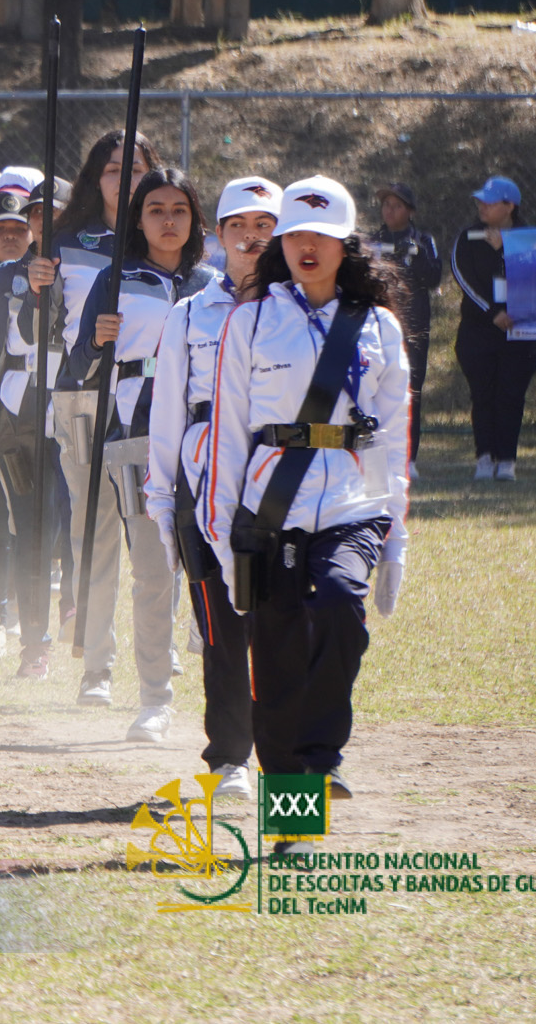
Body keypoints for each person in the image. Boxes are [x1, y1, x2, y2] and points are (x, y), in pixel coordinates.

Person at [204, 176, 410, 812]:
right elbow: (228, 434)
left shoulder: (377, 327)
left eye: (321, 235)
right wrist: (220, 536)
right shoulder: (250, 321)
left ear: (346, 245)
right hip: (270, 510)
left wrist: (393, 536)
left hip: (352, 502)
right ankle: (294, 821)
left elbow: (392, 435)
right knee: (279, 656)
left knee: (343, 604)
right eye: (294, 234)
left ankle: (325, 758)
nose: (306, 246)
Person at [64, 168, 215, 743]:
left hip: (208, 439)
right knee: (153, 573)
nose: (168, 219)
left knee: (214, 570)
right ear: (139, 219)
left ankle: (228, 692)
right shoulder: (115, 279)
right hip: (135, 435)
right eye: (155, 209)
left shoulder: (216, 284)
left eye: (179, 209)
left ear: (195, 219)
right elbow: (80, 365)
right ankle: (156, 699)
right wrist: (97, 340)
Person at [142, 175, 280, 798]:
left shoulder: (302, 311)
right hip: (204, 480)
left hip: (284, 478)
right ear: (217, 236)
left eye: (264, 226)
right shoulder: (191, 314)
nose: (251, 238)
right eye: (238, 227)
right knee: (222, 621)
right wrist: (162, 491)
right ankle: (230, 759)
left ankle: (291, 774)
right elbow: (167, 407)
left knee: (284, 623)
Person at [47, 129, 161, 707]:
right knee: (93, 533)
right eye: (114, 170)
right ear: (95, 179)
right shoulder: (66, 242)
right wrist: (34, 286)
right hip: (83, 397)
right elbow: (32, 329)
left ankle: (156, 666)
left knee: (149, 538)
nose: (127, 181)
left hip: (146, 406)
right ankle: (97, 664)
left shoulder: (165, 243)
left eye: (137, 169)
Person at [0, 186, 77, 678]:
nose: (44, 222)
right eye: (37, 214)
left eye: (55, 214)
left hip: (79, 406)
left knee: (75, 527)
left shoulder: (88, 273)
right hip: (21, 411)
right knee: (32, 529)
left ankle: (79, 616)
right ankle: (36, 642)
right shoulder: (4, 279)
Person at [450, 176, 536, 481]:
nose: (481, 206)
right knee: (483, 395)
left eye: (490, 201)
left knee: (511, 395)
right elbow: (462, 277)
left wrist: (507, 249)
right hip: (478, 331)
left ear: (510, 206)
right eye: (479, 201)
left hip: (521, 333)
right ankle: (484, 458)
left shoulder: (529, 238)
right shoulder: (467, 237)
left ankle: (507, 462)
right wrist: (492, 312)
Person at [371, 183, 439, 473]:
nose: (389, 210)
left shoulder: (423, 241)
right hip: (377, 325)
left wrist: (415, 255)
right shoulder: (373, 241)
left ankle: (408, 458)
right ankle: (376, 457)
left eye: (397, 205)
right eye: (386, 204)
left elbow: (434, 278)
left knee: (411, 391)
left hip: (413, 328)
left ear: (410, 211)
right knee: (373, 388)